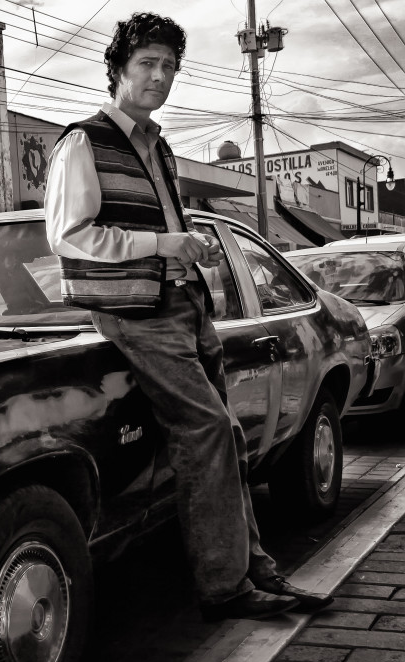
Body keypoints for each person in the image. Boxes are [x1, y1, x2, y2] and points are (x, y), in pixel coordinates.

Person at [44, 12, 333, 621]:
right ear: (118, 70)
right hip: (133, 315)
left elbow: (156, 228)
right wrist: (162, 246)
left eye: (169, 66)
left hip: (183, 304)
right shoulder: (82, 142)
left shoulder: (161, 146)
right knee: (206, 431)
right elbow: (69, 237)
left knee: (223, 434)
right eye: (147, 64)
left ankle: (255, 569)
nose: (159, 76)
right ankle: (226, 589)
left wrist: (184, 245)